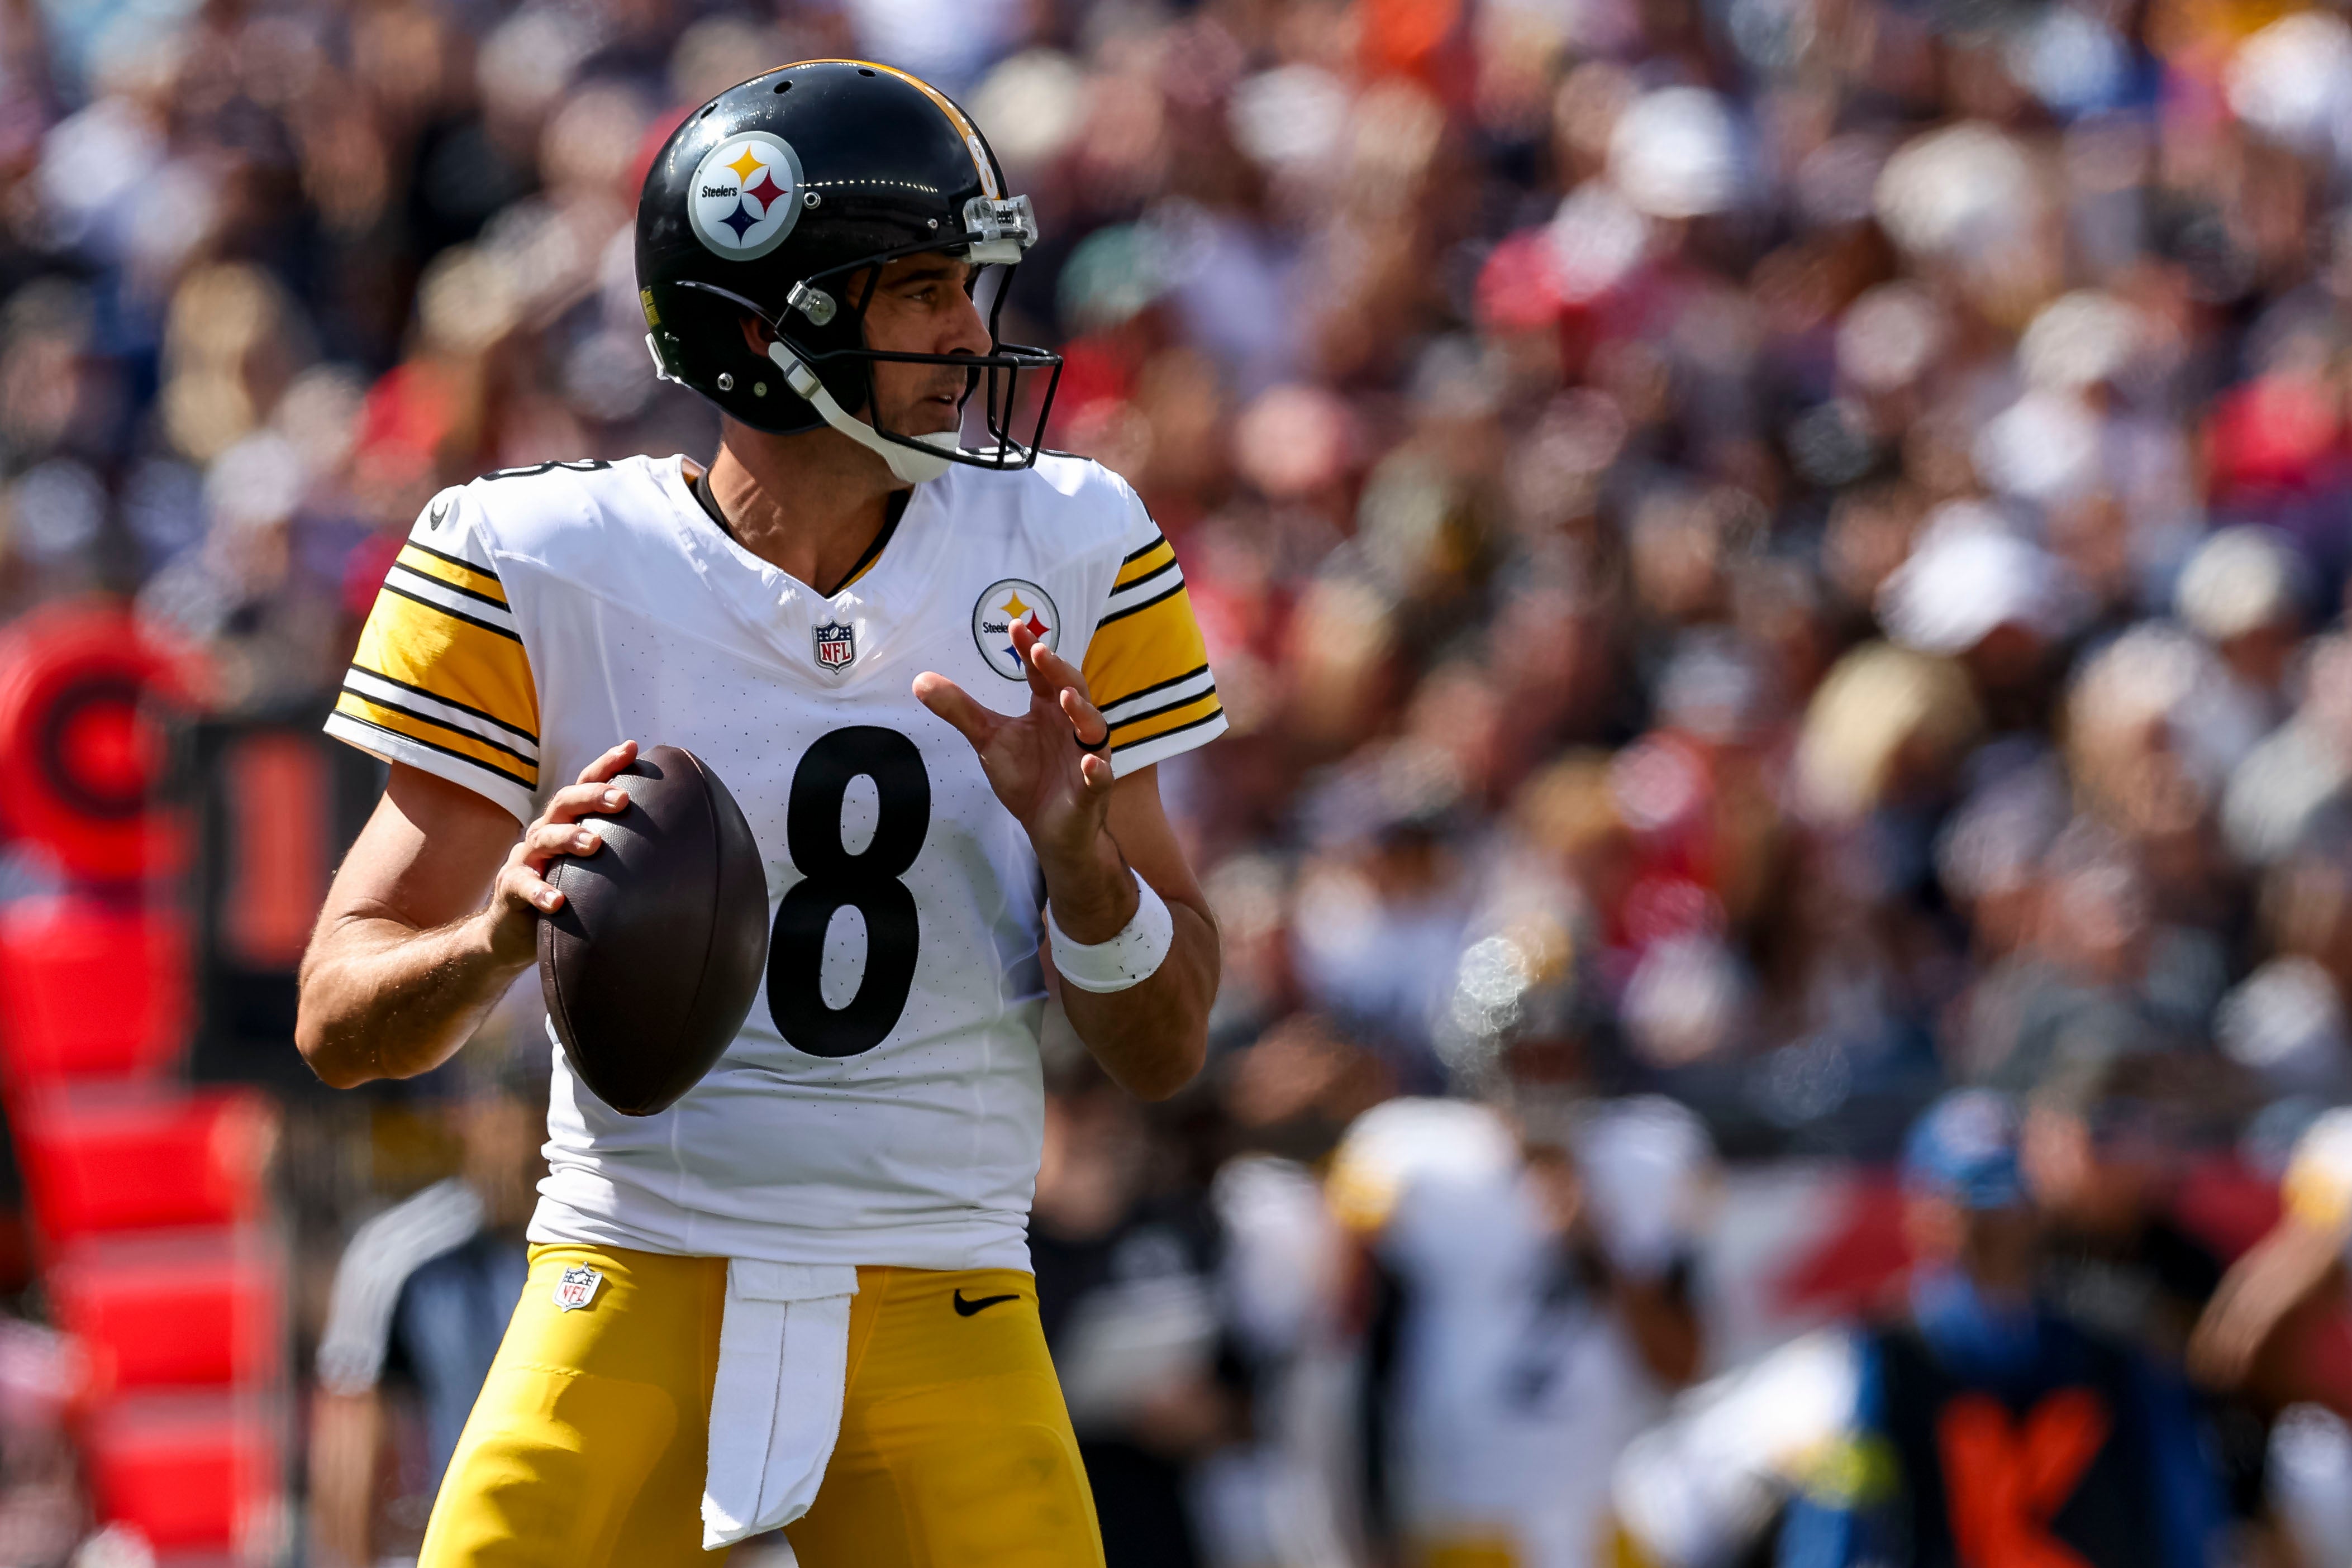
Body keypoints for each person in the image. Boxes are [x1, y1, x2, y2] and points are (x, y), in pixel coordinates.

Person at [292, 60, 1225, 1568]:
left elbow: (1167, 1042)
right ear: (756, 327)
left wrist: (1085, 863)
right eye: (919, 290)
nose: (970, 334)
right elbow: (341, 1016)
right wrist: (495, 937)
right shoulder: (535, 553)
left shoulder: (1072, 545)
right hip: (632, 1266)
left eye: (967, 285)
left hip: (947, 1289)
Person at [1613, 1090, 2224, 1568]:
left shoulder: (2113, 1351)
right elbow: (1836, 1527)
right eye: (1975, 1209)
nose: (1998, 1230)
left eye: (2010, 1206)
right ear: (1924, 1213)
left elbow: (2180, 1512)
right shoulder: (1874, 1359)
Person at [1326, 1092, 1710, 1568]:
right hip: (1466, 1508)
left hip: (1607, 1506)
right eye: (1527, 1055)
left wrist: (1595, 1244)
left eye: (1561, 1051)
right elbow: (1346, 1342)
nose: (1545, 1079)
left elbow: (1683, 1363)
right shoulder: (1412, 1155)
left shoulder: (1645, 1151)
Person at [308, 1055, 545, 1566]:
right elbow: (351, 1436)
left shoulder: (593, 1249)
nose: (523, 1151)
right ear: (467, 1124)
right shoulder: (400, 1258)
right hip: (462, 1537)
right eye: (508, 1130)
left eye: (536, 1138)